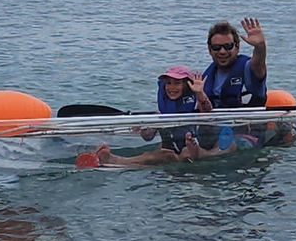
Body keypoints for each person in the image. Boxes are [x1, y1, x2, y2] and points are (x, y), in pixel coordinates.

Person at [95, 65, 235, 166]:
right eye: (168, 83)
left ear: (186, 86)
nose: (171, 87)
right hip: (173, 149)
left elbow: (207, 111)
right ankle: (116, 161)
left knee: (185, 152)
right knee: (159, 154)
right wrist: (142, 128)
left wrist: (199, 93)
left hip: (199, 146)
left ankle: (115, 161)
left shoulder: (195, 105)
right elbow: (148, 137)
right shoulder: (161, 114)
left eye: (177, 83)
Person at [201, 17, 268, 149]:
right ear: (210, 50)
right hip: (214, 135)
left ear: (237, 47)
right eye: (216, 47)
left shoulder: (248, 70)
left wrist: (260, 47)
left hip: (247, 136)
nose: (222, 51)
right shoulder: (205, 79)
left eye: (228, 46)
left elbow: (259, 63)